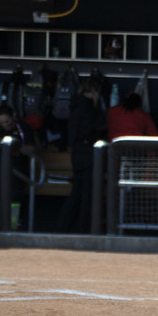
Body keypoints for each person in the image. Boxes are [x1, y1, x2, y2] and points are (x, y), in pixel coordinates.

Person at [56, 79, 103, 234]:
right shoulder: (88, 108)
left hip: (77, 154)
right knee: (86, 195)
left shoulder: (75, 106)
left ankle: (62, 227)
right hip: (88, 155)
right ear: (92, 93)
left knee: (77, 194)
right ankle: (84, 229)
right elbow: (89, 131)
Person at [0, 105, 37, 230]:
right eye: (2, 123)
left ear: (13, 117)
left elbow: (31, 150)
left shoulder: (22, 128)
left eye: (7, 121)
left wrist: (13, 149)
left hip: (17, 171)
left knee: (14, 200)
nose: (5, 125)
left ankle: (13, 228)